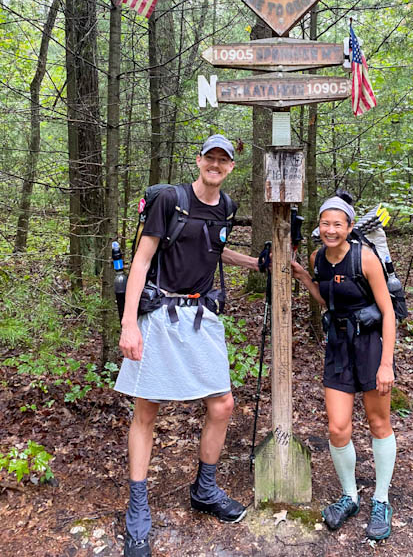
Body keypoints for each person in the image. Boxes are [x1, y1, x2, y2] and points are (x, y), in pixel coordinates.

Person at [115, 134, 260, 557]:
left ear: (231, 166)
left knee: (223, 404)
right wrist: (129, 324)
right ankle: (138, 508)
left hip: (201, 316)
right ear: (198, 161)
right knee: (147, 410)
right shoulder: (170, 201)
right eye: (210, 158)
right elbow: (141, 261)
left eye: (223, 160)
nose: (215, 165)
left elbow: (214, 250)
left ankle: (205, 489)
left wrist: (254, 263)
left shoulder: (228, 207)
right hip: (160, 314)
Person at [291, 191, 397, 542]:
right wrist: (305, 278)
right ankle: (350, 496)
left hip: (369, 346)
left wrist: (386, 364)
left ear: (349, 227)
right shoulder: (317, 258)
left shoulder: (365, 259)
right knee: (338, 428)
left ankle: (381, 499)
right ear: (319, 226)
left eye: (338, 224)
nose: (330, 230)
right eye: (325, 223)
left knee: (379, 423)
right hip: (337, 346)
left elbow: (389, 313)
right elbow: (328, 299)